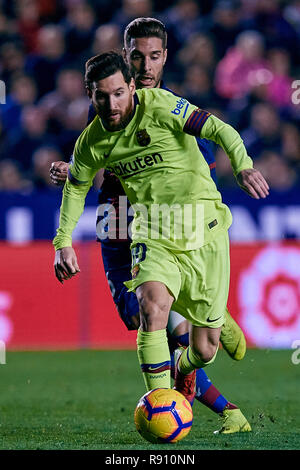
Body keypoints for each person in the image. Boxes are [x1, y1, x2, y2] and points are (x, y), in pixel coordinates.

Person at [50, 18, 251, 435]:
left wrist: (234, 172)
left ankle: (207, 337)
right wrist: (74, 176)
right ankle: (177, 402)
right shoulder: (107, 97)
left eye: (153, 56)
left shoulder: (168, 105)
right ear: (125, 58)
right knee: (145, 311)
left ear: (164, 59)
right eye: (137, 56)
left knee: (189, 337)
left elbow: (197, 158)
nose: (144, 64)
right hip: (124, 220)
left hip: (187, 226)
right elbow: (98, 158)